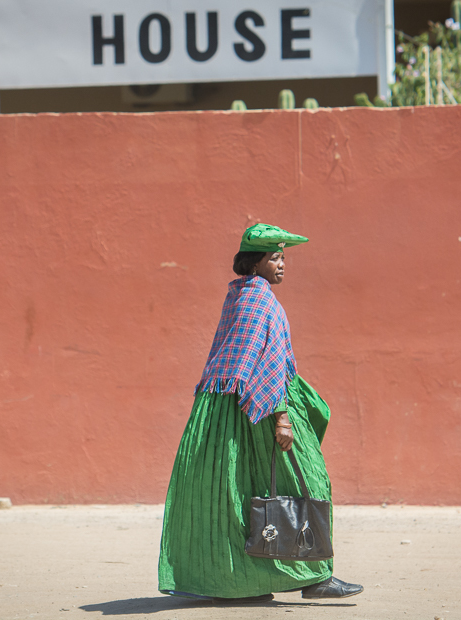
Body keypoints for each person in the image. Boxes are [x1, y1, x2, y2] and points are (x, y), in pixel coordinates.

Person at [158, 223, 363, 603]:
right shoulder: (259, 300)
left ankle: (243, 583)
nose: (282, 264)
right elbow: (261, 365)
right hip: (261, 411)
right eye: (274, 257)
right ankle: (315, 576)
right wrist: (282, 418)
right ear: (255, 262)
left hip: (227, 413)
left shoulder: (238, 297)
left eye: (283, 256)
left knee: (237, 494)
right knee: (309, 483)